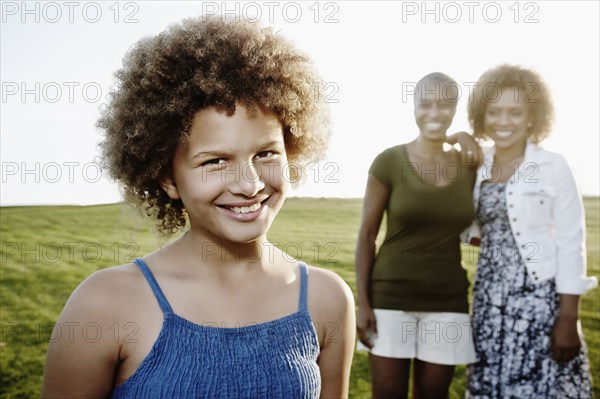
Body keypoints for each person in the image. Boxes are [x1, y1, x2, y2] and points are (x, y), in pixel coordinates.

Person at [41, 16, 355, 398]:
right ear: (167, 179)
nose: (250, 184)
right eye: (214, 162)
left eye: (266, 153)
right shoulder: (104, 304)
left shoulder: (327, 298)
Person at [464, 64, 597, 399]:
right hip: (489, 300)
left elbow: (571, 243)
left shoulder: (554, 166)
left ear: (531, 117)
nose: (503, 121)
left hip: (540, 301)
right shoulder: (476, 165)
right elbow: (467, 228)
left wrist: (568, 318)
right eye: (494, 112)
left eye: (515, 112)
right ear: (482, 115)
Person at [355, 72, 481, 399]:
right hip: (390, 299)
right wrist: (363, 303)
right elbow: (367, 234)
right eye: (425, 104)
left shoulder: (468, 163)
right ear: (413, 107)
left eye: (444, 105)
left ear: (455, 109)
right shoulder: (389, 161)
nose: (434, 113)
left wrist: (463, 137)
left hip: (447, 300)